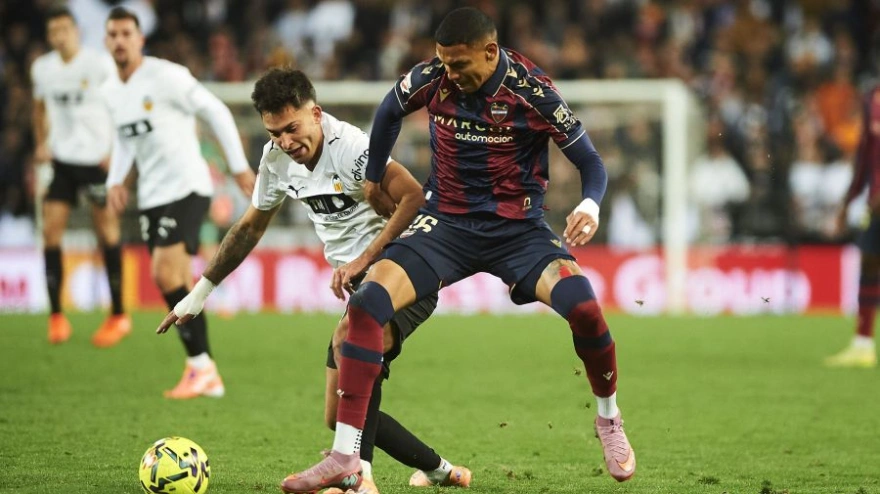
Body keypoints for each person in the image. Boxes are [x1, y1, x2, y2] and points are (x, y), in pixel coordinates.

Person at [281, 7, 635, 493]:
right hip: (446, 222)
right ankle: (346, 458)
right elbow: (388, 112)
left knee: (587, 309)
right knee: (365, 308)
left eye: (459, 65)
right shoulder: (431, 78)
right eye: (443, 63)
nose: (449, 74)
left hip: (518, 229)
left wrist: (590, 205)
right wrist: (371, 176)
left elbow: (590, 161)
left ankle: (609, 419)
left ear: (491, 53)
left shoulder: (533, 92)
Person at [155, 67, 470, 494]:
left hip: (406, 271)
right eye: (273, 133)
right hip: (361, 284)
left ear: (316, 114)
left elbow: (415, 196)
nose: (285, 141)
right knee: (338, 411)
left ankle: (359, 478)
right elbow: (250, 227)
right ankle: (440, 470)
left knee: (352, 339)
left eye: (291, 128)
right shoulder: (276, 160)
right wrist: (199, 293)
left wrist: (363, 259)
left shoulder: (352, 147)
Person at [101, 7, 255, 398]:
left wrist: (238, 167)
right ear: (107, 41)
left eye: (126, 33)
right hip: (152, 195)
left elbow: (216, 111)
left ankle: (201, 367)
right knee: (171, 278)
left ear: (140, 39)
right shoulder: (110, 90)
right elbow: (125, 138)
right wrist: (117, 178)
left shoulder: (166, 77)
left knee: (163, 272)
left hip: (187, 187)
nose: (119, 40)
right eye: (112, 34)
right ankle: (203, 371)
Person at [30, 6, 130, 346]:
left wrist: (114, 151)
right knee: (51, 231)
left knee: (106, 231)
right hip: (62, 160)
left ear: (76, 32)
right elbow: (39, 107)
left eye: (65, 29)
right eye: (54, 31)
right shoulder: (42, 68)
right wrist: (41, 143)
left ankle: (118, 314)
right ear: (49, 36)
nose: (60, 35)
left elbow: (120, 102)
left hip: (96, 161)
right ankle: (57, 316)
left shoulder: (98, 64)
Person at [828, 82, 880, 368]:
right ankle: (863, 345)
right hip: (876, 203)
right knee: (870, 264)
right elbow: (865, 154)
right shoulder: (872, 96)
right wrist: (850, 199)